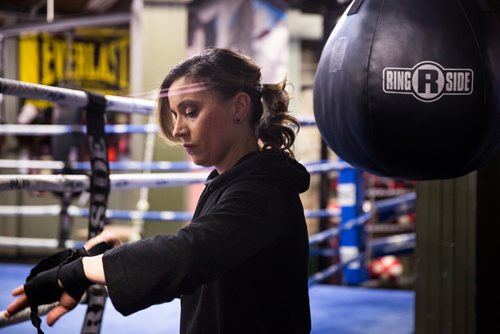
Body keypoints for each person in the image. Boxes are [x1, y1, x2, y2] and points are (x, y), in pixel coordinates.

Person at [5, 47, 312, 333]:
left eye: (190, 111)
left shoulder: (264, 189)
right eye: (176, 114)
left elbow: (190, 254)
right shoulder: (227, 183)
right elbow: (198, 271)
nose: (177, 130)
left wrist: (79, 271)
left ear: (239, 107)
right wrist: (111, 263)